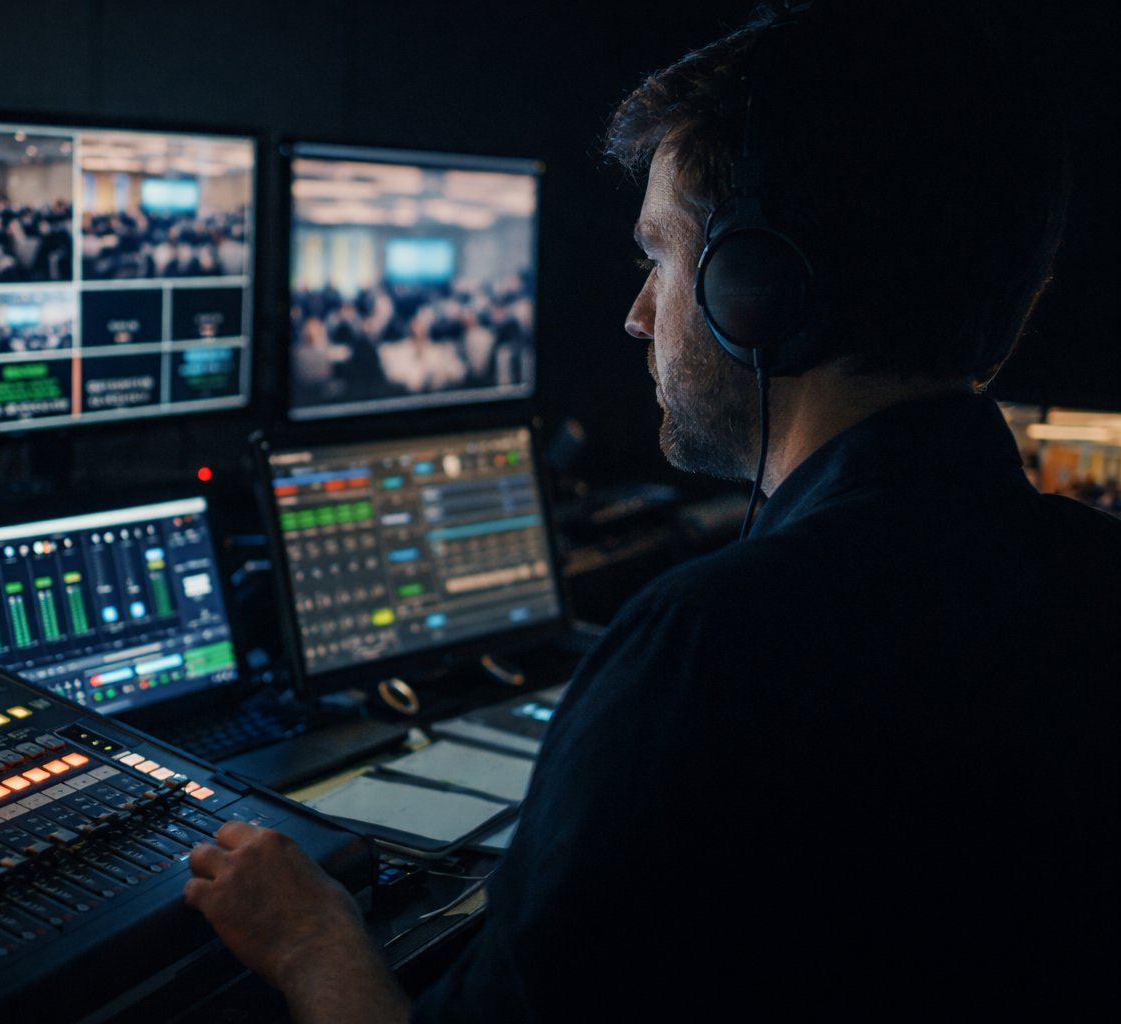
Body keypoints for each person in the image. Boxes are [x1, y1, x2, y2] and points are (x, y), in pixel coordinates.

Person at [185, 3, 1119, 1019]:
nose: (635, 314)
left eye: (660, 257)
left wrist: (313, 939)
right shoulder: (1092, 574)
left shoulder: (710, 647)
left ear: (758, 292)